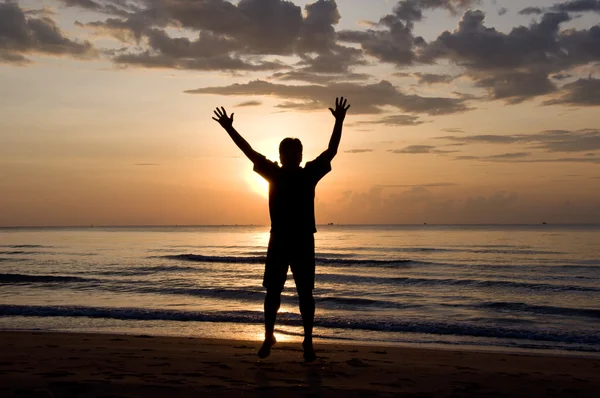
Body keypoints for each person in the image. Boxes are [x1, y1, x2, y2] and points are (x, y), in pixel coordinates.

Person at [212, 97, 351, 362]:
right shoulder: (273, 173)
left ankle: (307, 342)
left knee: (305, 294)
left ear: (300, 155)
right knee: (272, 292)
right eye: (286, 153)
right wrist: (229, 128)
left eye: (295, 153)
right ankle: (269, 336)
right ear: (281, 156)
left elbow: (331, 151)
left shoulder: (308, 173)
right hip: (278, 240)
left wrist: (339, 122)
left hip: (302, 240)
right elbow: (248, 151)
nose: (290, 157)